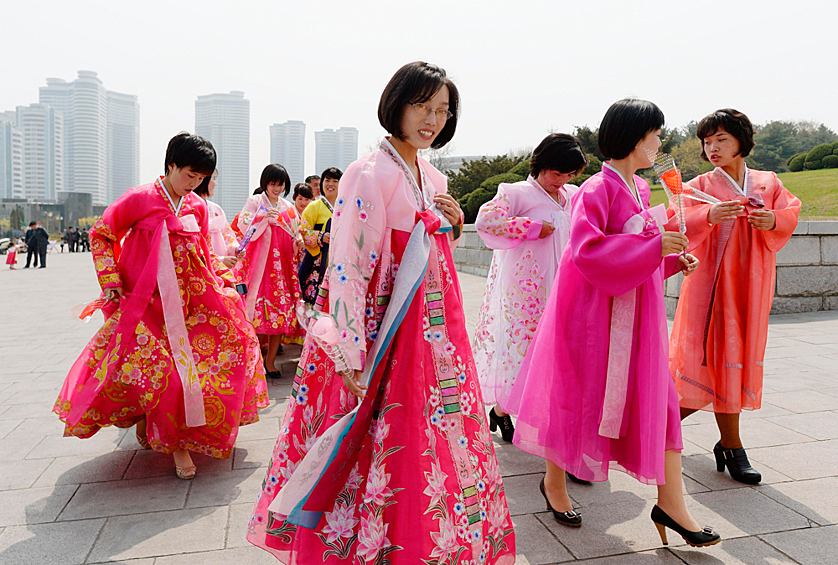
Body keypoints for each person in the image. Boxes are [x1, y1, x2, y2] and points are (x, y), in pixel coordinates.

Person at [248, 61, 516, 564]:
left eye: (443, 110)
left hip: (432, 332)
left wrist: (453, 223)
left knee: (424, 437)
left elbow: (430, 246)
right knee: (378, 437)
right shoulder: (368, 173)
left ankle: (419, 540)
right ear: (397, 104)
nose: (432, 119)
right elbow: (347, 266)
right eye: (423, 106)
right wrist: (352, 350)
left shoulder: (428, 174)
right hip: (384, 332)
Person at [508, 99, 720, 548]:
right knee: (572, 397)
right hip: (591, 317)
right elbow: (586, 254)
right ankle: (555, 485)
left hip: (637, 318)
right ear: (633, 136)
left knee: (660, 401)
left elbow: (635, 256)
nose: (659, 143)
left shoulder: (641, 191)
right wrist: (654, 246)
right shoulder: (595, 190)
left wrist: (666, 260)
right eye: (655, 135)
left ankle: (672, 503)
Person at [54, 132, 269, 480]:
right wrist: (110, 281)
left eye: (201, 179)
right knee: (166, 376)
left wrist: (224, 278)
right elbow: (101, 234)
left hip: (192, 302)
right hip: (145, 305)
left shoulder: (196, 206)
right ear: (171, 165)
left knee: (233, 344)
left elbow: (202, 252)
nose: (194, 184)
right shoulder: (138, 199)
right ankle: (175, 443)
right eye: (189, 176)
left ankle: (162, 426)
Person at [669, 109, 801, 484]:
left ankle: (668, 431)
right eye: (707, 142)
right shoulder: (697, 185)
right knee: (707, 359)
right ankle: (728, 445)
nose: (712, 148)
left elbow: (789, 210)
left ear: (742, 141)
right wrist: (707, 215)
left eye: (721, 139)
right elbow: (674, 222)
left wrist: (773, 220)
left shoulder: (767, 181)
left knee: (733, 359)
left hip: (750, 285)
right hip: (709, 288)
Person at [473, 133, 587, 444]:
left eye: (569, 174)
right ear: (541, 164)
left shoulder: (573, 195)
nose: (561, 179)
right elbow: (486, 223)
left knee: (561, 356)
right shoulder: (516, 192)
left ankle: (540, 421)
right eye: (557, 172)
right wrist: (531, 227)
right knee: (526, 356)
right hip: (526, 295)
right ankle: (505, 409)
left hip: (565, 288)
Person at [234, 164, 303, 378]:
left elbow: (296, 232)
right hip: (259, 268)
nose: (276, 187)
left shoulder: (287, 207)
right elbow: (244, 227)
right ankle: (252, 361)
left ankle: (270, 362)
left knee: (279, 315)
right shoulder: (255, 202)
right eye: (273, 183)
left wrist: (298, 241)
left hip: (281, 267)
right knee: (253, 313)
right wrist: (263, 217)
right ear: (265, 183)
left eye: (280, 184)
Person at [297, 167, 341, 304]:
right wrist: (320, 237)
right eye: (327, 180)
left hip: (339, 261)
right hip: (318, 262)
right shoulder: (314, 206)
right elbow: (303, 231)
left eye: (335, 181)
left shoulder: (345, 207)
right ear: (322, 184)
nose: (330, 184)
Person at [194, 169, 239, 268]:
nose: (215, 184)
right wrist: (220, 260)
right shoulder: (190, 209)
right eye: (213, 179)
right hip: (204, 267)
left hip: (222, 266)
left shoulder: (216, 209)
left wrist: (235, 249)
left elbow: (228, 235)